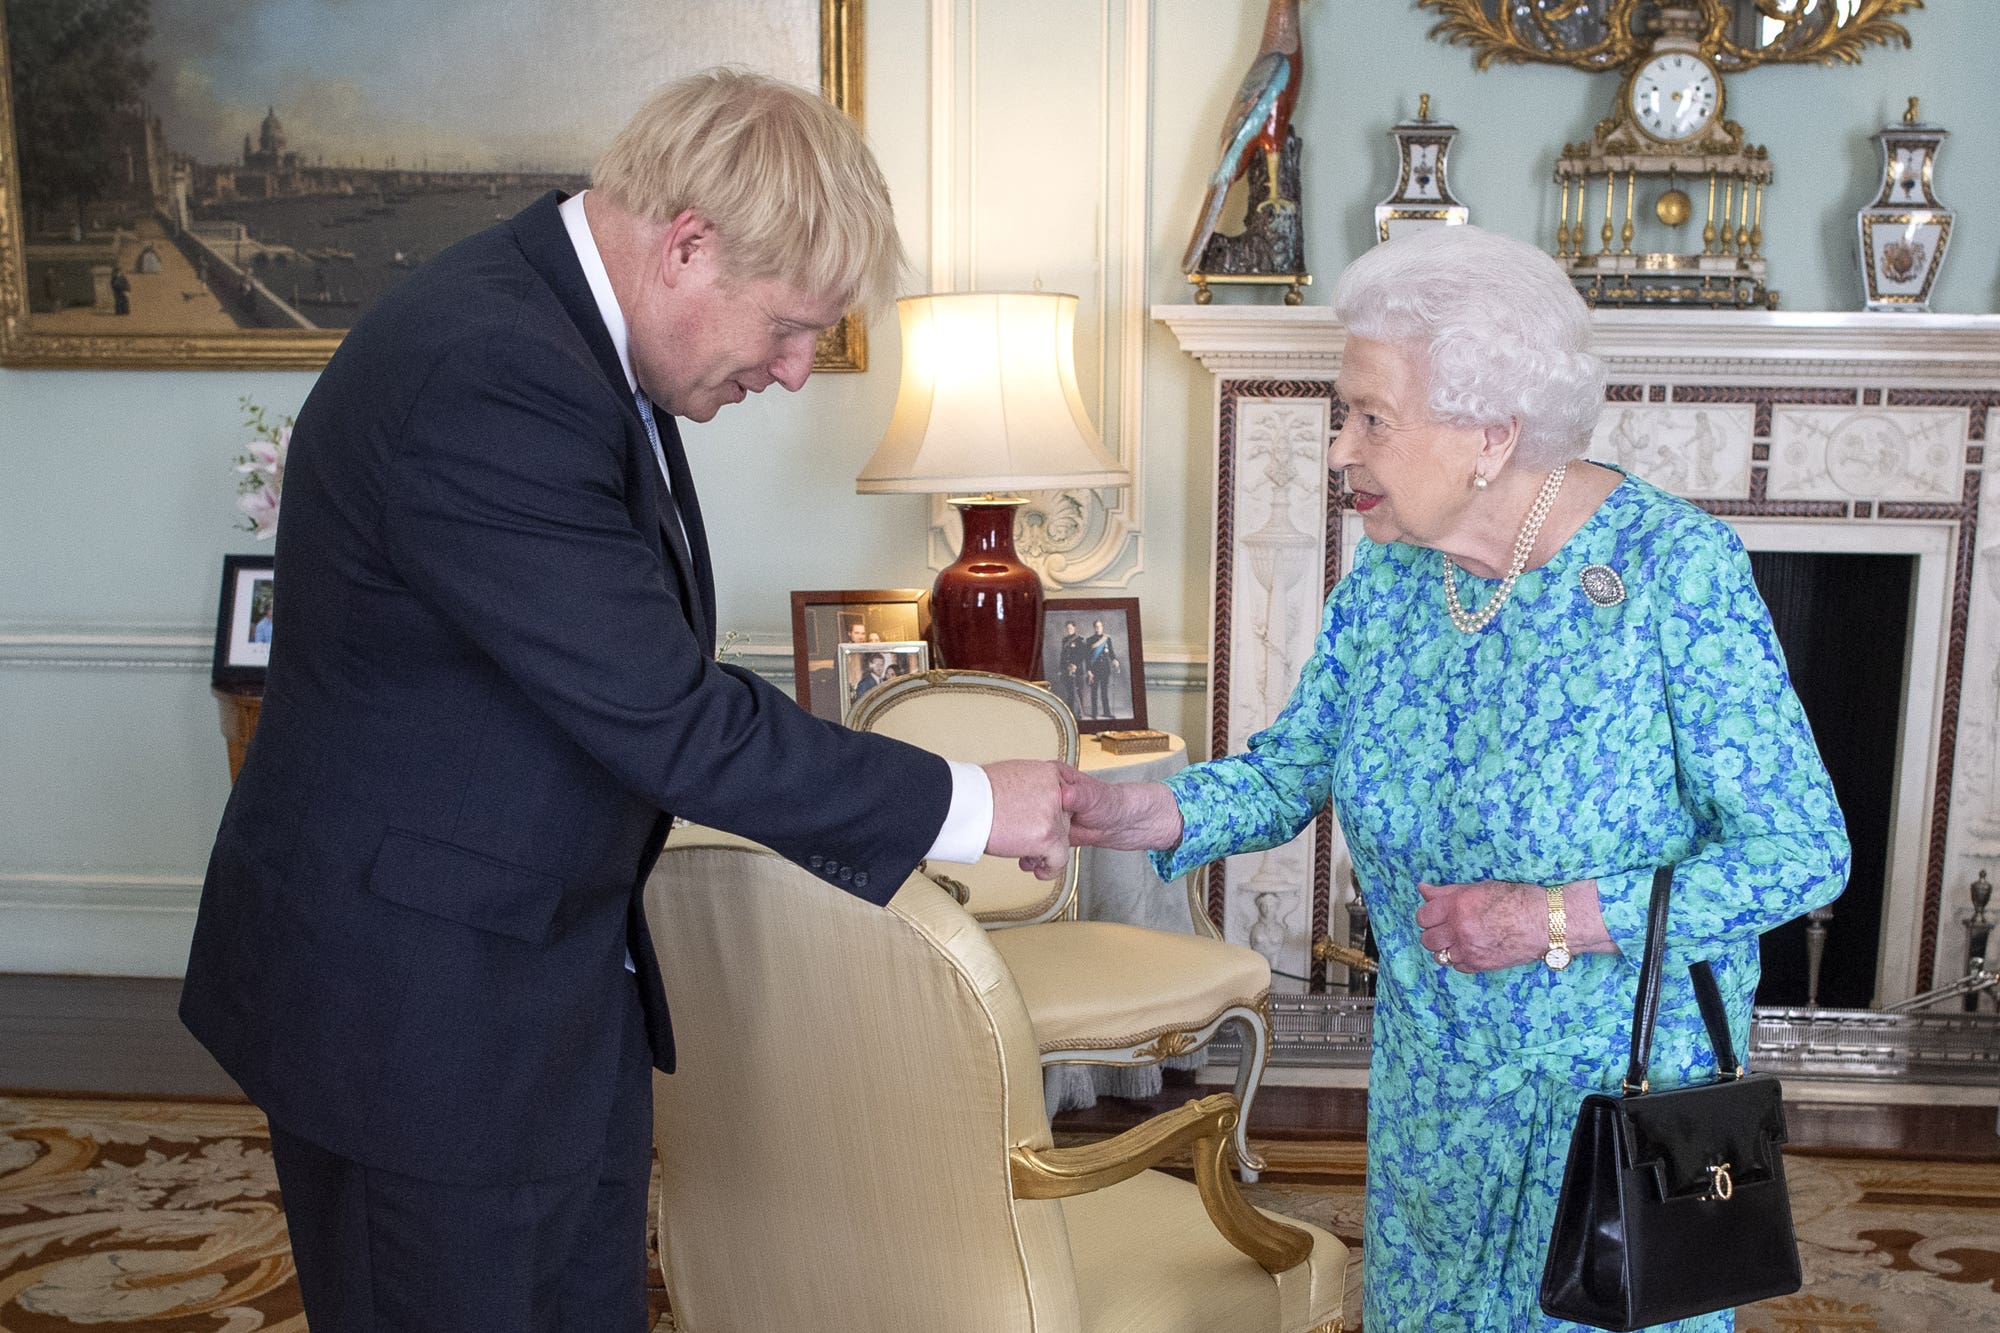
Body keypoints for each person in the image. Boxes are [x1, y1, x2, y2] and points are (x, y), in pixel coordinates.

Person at [180, 69, 1069, 1333]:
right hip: (416, 1018)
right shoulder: (488, 370)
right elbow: (665, 711)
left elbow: (624, 676)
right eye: (788, 326)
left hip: (531, 980)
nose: (799, 371)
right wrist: (970, 800)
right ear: (686, 245)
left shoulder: (561, 339)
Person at [1058, 225, 1848, 1332]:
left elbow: (1800, 850)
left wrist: (1552, 918)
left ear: (1491, 433)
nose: (1339, 449)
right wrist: (1144, 807)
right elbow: (1293, 769)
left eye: (1370, 417)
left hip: (1614, 1105)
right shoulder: (1388, 580)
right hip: (1434, 1091)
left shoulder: (1676, 573)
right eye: (1346, 416)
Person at [1084, 617, 1120, 719]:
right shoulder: (1089, 640)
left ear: (1102, 627)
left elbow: (1111, 653)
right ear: (1094, 628)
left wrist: (1115, 660)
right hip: (1094, 669)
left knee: (1104, 692)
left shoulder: (1107, 639)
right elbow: (1087, 657)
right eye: (1096, 627)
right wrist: (1088, 671)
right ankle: (1094, 713)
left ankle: (1107, 712)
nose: (1098, 628)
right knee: (1094, 692)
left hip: (1105, 669)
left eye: (1099, 626)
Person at [1055, 618, 1087, 718]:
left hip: (1077, 670)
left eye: (1071, 628)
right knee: (1070, 692)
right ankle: (1071, 713)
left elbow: (1082, 655)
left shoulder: (1080, 640)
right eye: (1067, 628)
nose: (1069, 629)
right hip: (1066, 669)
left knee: (1079, 691)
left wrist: (1075, 665)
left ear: (1074, 628)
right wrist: (1061, 668)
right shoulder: (1065, 640)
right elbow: (1063, 656)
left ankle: (1081, 713)